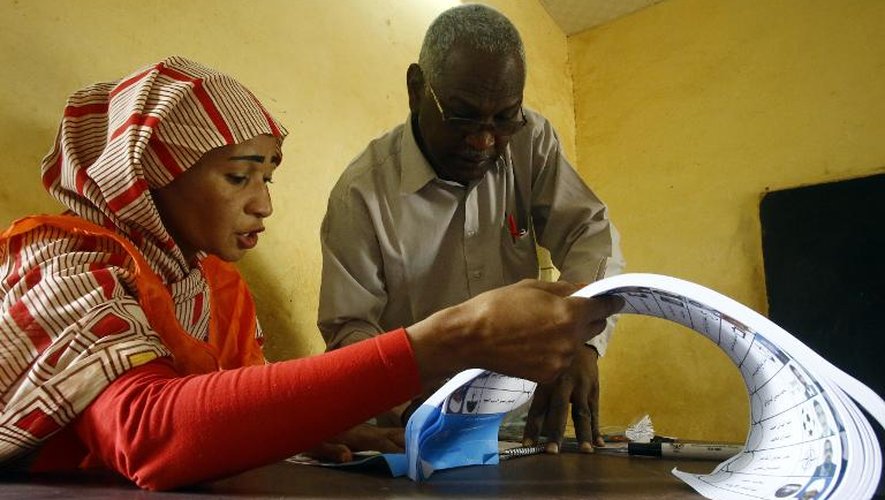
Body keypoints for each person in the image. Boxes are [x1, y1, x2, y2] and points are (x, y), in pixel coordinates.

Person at [0, 57, 620, 491]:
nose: (264, 204)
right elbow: (148, 434)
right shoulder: (63, 260)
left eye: (267, 177)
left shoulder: (215, 289)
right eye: (239, 176)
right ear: (146, 173)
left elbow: (227, 412)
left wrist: (305, 426)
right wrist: (447, 340)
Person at [318, 4, 624, 452]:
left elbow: (588, 232)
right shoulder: (361, 195)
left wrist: (583, 339)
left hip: (524, 423)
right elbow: (350, 331)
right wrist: (418, 416)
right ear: (416, 89)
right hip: (413, 426)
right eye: (462, 116)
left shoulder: (529, 140)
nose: (484, 140)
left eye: (504, 118)